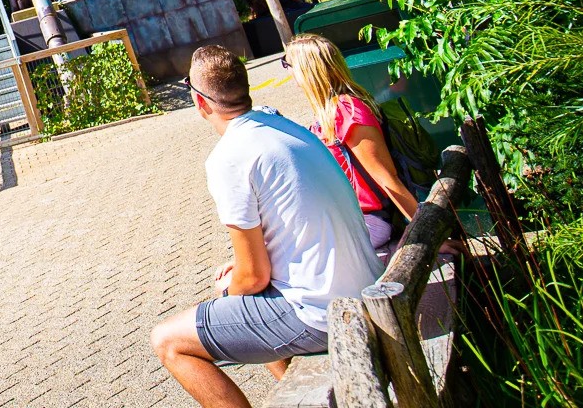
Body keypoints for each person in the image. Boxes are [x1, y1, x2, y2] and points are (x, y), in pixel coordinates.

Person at [152, 46, 382, 408]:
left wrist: (230, 291)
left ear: (199, 101)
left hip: (324, 313)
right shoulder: (283, 125)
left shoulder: (229, 157)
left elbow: (255, 277)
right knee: (244, 304)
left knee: (168, 341)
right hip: (366, 287)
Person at [284, 34, 421, 250]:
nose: (288, 71)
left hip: (369, 221)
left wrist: (423, 232)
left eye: (287, 64)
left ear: (306, 70)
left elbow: (386, 176)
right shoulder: (330, 110)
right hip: (351, 217)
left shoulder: (347, 110)